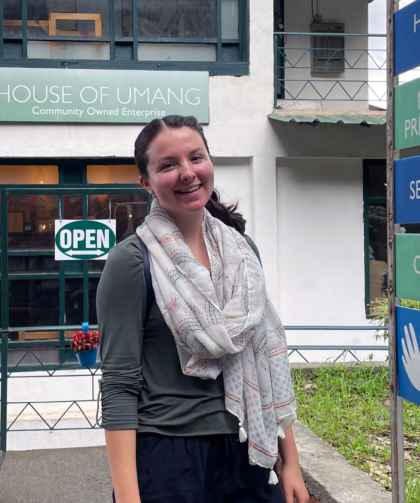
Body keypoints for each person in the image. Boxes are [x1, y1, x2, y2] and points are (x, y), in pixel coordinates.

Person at [97, 116, 310, 503]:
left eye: (196, 157)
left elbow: (265, 359)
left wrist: (289, 462)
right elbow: (118, 386)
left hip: (249, 447)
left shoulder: (243, 253)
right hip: (167, 458)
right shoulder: (130, 263)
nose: (187, 173)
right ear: (146, 182)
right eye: (167, 165)